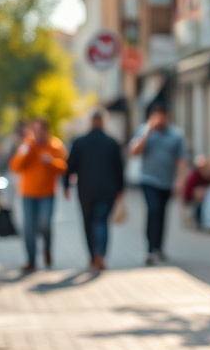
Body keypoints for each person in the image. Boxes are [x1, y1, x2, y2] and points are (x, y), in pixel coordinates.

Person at [64, 109, 125, 272]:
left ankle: (93, 255)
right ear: (103, 122)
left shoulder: (80, 142)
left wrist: (66, 186)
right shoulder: (111, 142)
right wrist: (120, 189)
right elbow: (120, 168)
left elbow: (70, 166)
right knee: (101, 221)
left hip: (86, 190)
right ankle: (101, 253)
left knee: (89, 223)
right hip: (107, 190)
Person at [129, 103, 187, 265]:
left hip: (167, 181)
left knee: (161, 214)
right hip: (148, 179)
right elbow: (134, 151)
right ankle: (150, 248)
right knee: (153, 210)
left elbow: (181, 158)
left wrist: (180, 180)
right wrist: (148, 130)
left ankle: (158, 248)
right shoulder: (144, 131)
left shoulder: (175, 135)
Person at [9, 118, 68, 274]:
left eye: (40, 132)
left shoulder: (55, 146)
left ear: (46, 131)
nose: (37, 135)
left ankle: (47, 249)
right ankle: (31, 260)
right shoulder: (27, 145)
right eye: (35, 132)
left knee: (44, 223)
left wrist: (51, 161)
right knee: (28, 228)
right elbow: (15, 167)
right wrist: (25, 153)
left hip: (47, 194)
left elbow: (64, 167)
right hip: (28, 194)